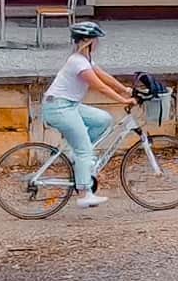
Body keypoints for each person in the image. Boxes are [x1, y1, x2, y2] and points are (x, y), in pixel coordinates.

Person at [41, 21, 134, 208]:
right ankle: (84, 194)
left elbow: (103, 76)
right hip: (59, 108)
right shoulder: (77, 62)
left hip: (69, 105)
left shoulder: (86, 60)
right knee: (85, 150)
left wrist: (125, 89)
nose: (98, 43)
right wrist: (122, 100)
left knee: (103, 120)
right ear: (87, 41)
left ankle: (77, 156)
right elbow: (98, 85)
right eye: (95, 39)